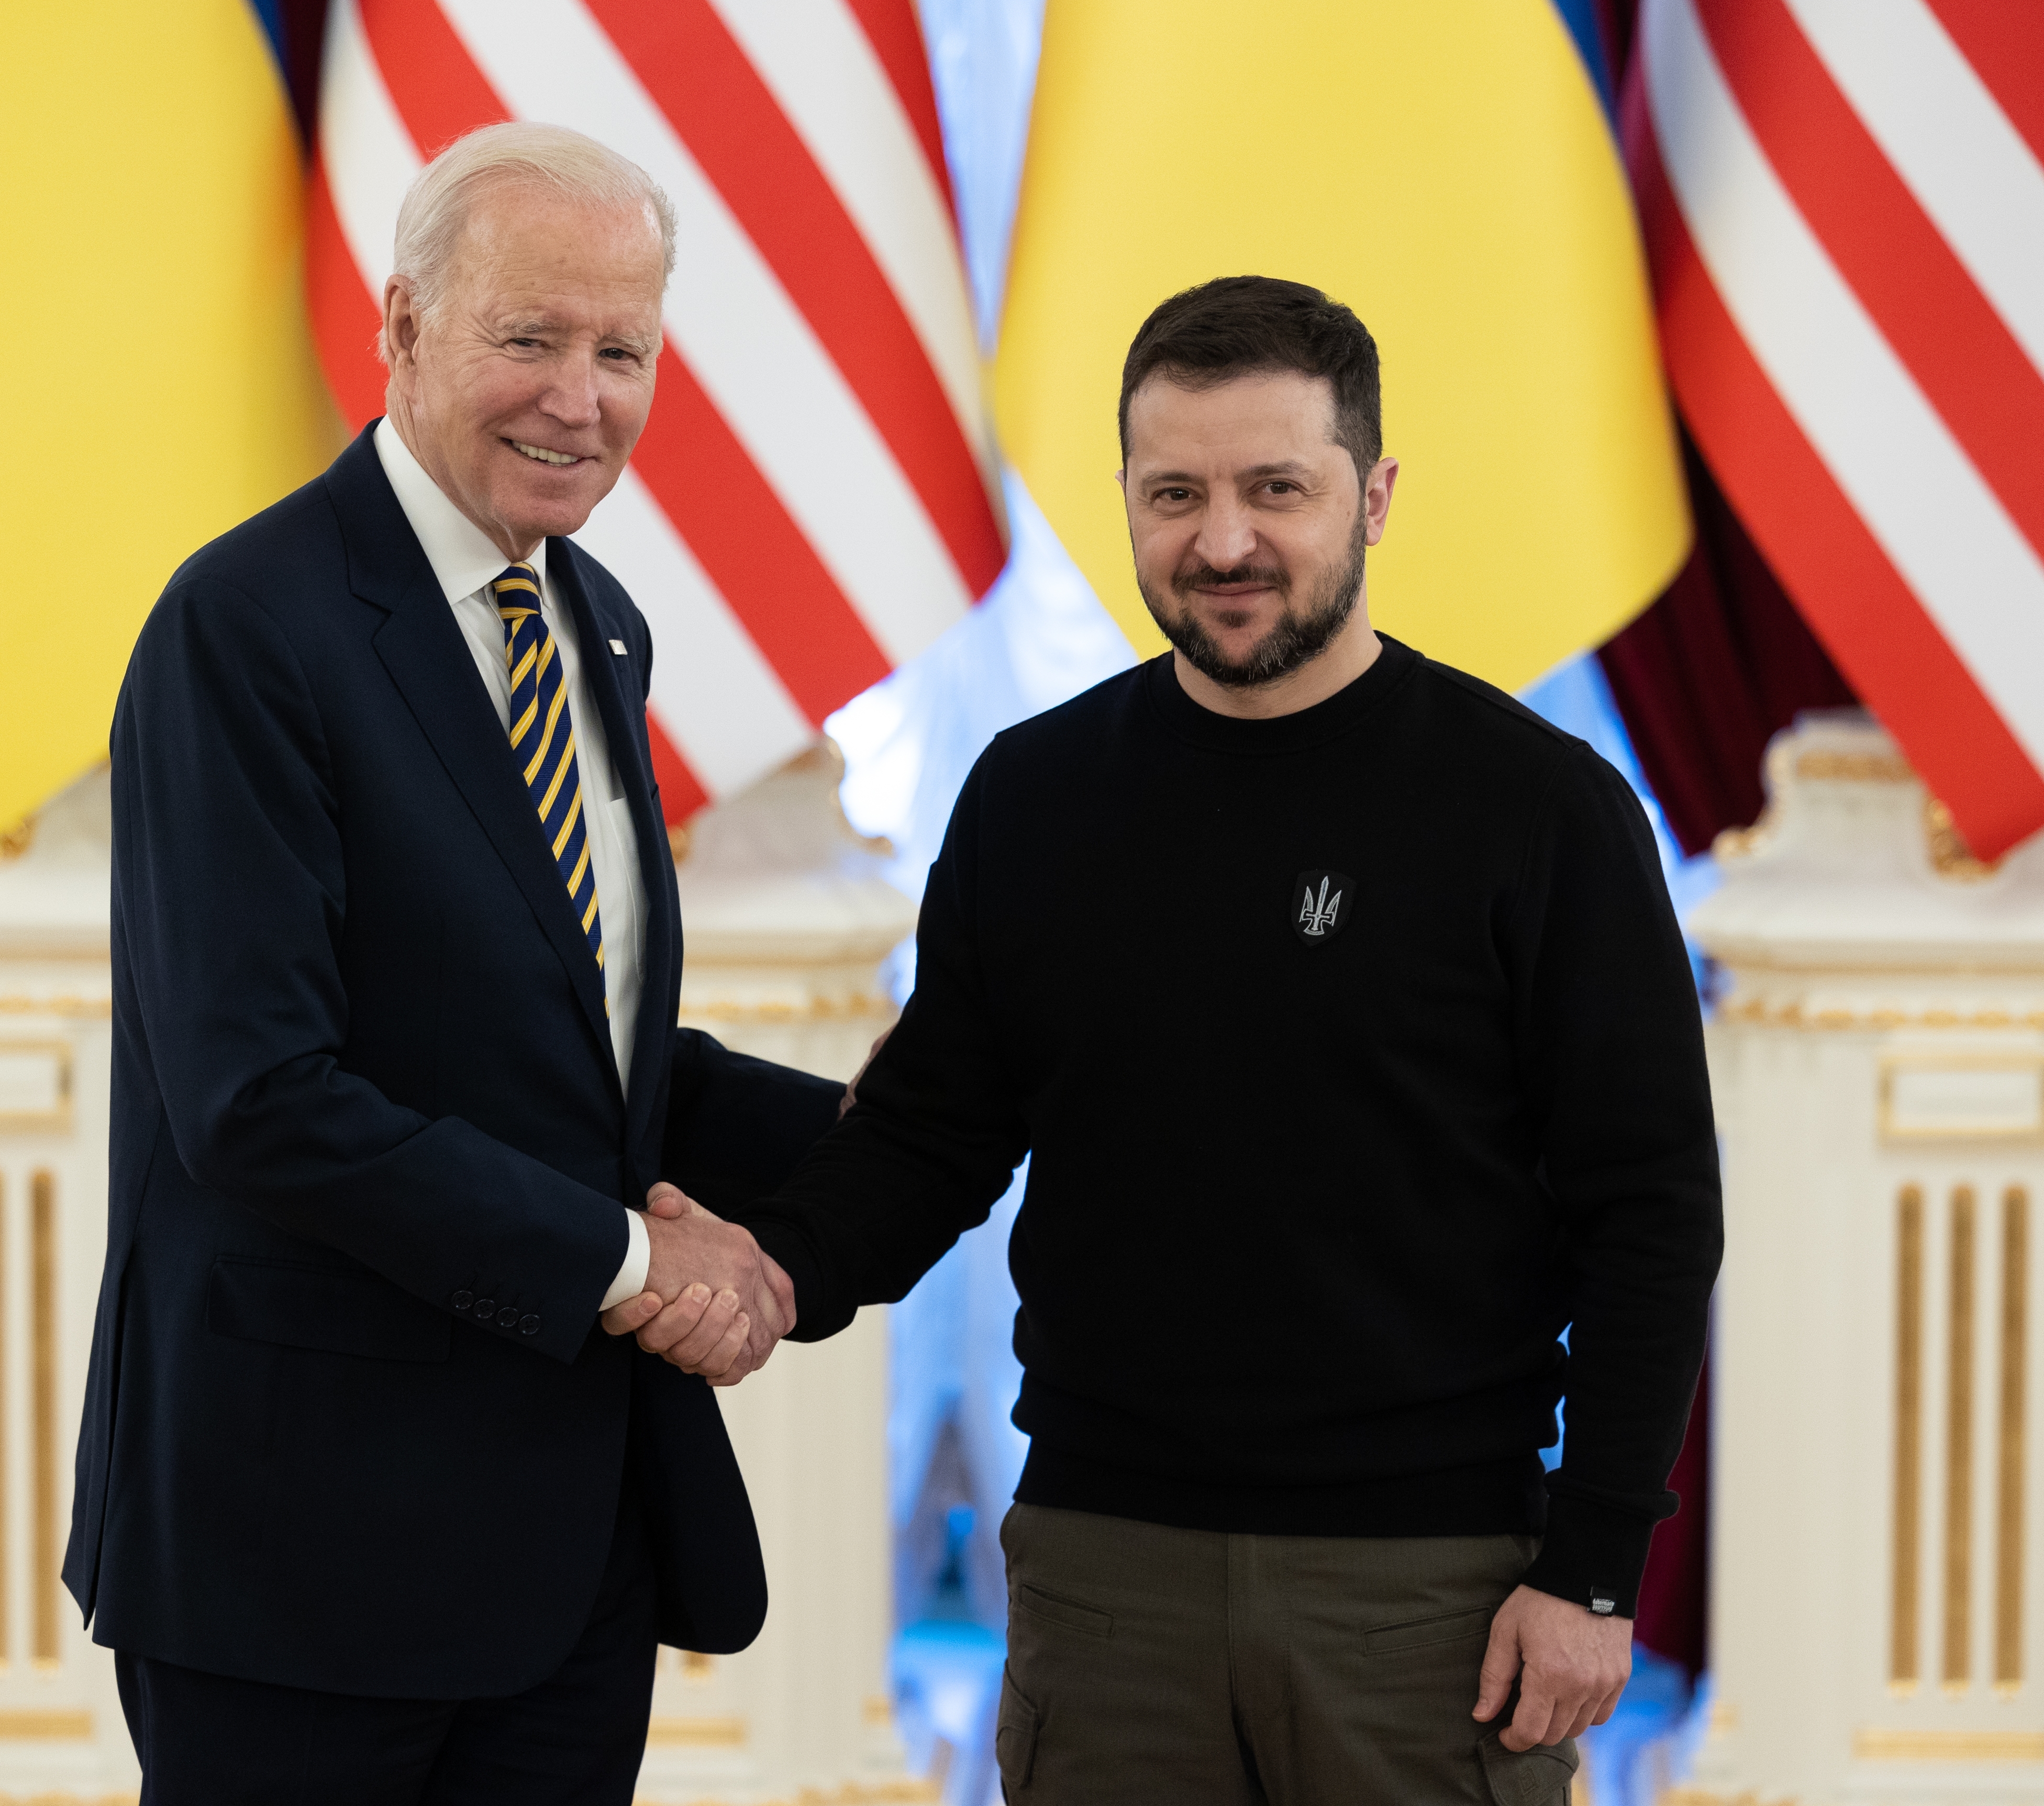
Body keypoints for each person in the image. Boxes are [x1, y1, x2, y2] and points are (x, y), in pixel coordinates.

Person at [720, 276, 1723, 1804]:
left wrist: (1594, 1571)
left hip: (1435, 1597)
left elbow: (1652, 1219)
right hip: (1104, 1584)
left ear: (1374, 498)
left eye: (1279, 489)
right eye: (1175, 493)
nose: (1226, 541)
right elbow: (932, 1137)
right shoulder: (1036, 798)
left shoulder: (1540, 814)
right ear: (1124, 498)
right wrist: (764, 1268)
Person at [63, 122, 831, 1804]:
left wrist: (920, 1130)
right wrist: (637, 1268)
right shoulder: (246, 625)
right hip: (300, 1557)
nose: (582, 397)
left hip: (562, 1548)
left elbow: (575, 1054)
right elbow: (261, 1096)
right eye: (530, 338)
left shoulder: (592, 619)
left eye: (622, 350)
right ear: (402, 329)